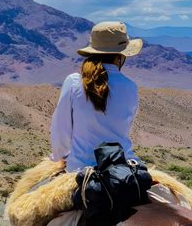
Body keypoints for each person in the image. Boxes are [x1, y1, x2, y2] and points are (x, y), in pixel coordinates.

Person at [50, 21, 143, 172]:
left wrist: (61, 156)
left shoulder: (74, 82)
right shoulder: (130, 86)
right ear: (121, 56)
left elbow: (61, 128)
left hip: (81, 168)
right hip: (123, 167)